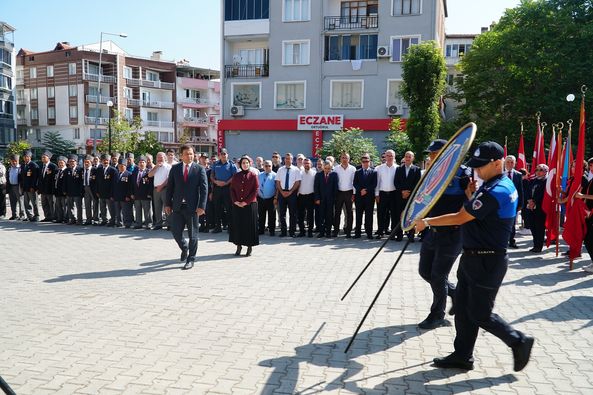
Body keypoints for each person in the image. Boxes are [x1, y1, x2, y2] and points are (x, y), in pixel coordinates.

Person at [414, 141, 534, 372]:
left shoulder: (497, 190)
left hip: (487, 261)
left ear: (498, 163)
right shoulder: (492, 184)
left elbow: (461, 217)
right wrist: (470, 193)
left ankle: (518, 340)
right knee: (463, 309)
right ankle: (462, 355)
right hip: (473, 257)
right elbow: (478, 213)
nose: (476, 170)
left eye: (481, 166)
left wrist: (426, 222)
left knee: (479, 313)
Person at [416, 139, 472, 330]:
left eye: (435, 154)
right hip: (432, 231)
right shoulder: (431, 174)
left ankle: (437, 315)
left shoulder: (463, 173)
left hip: (453, 233)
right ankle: (456, 293)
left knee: (439, 275)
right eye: (430, 154)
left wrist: (470, 192)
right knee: (425, 271)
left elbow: (470, 202)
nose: (431, 157)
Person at [165, 145, 208, 270]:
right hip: (178, 206)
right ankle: (184, 247)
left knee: (193, 234)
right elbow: (170, 188)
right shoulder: (175, 168)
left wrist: (201, 206)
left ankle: (191, 259)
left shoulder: (199, 169)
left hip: (193, 207)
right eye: (186, 154)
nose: (189, 156)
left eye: (191, 154)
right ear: (181, 156)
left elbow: (204, 189)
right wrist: (168, 204)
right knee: (176, 232)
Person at [229, 156, 260, 257]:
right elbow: (232, 190)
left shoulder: (253, 175)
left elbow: (255, 190)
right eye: (243, 163)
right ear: (240, 165)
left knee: (249, 226)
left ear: (250, 164)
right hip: (237, 205)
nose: (245, 165)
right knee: (238, 226)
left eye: (247, 163)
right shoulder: (236, 176)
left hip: (250, 205)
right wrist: (236, 201)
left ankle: (249, 247)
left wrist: (246, 202)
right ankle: (238, 246)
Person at [394, 151, 421, 242]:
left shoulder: (417, 169)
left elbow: (417, 184)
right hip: (400, 196)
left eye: (409, 156)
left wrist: (408, 192)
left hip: (411, 196)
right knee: (399, 215)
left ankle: (411, 235)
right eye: (406, 156)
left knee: (410, 216)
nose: (408, 158)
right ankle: (399, 235)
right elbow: (396, 182)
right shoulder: (398, 169)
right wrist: (402, 192)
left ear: (413, 158)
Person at [276, 152, 302, 237]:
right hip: (282, 193)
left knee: (293, 214)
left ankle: (292, 232)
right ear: (284, 160)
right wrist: (282, 192)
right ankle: (283, 231)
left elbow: (297, 182)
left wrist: (290, 192)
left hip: (292, 193)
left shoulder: (296, 170)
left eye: (289, 158)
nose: (287, 160)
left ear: (292, 159)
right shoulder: (280, 169)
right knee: (282, 214)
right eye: (286, 158)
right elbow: (278, 182)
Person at [211, 148, 237, 233]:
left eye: (225, 154)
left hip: (227, 188)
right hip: (217, 188)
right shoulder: (215, 164)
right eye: (222, 154)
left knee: (229, 208)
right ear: (219, 155)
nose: (223, 155)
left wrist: (226, 183)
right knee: (217, 208)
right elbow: (212, 175)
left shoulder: (231, 165)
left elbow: (234, 177)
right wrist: (215, 181)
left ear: (227, 155)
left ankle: (230, 227)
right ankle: (218, 227)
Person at [374, 150, 398, 239]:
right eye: (388, 155)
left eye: (391, 155)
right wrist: (376, 194)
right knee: (381, 214)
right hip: (382, 194)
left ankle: (393, 233)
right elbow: (377, 182)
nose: (389, 157)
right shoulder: (379, 168)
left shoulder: (397, 168)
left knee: (394, 214)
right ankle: (380, 231)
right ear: (385, 157)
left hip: (393, 194)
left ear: (394, 157)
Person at [353, 153, 377, 239]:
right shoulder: (357, 172)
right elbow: (355, 183)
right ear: (361, 162)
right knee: (358, 215)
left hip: (369, 197)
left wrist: (366, 190)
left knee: (369, 216)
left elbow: (374, 184)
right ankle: (357, 233)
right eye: (363, 161)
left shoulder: (374, 172)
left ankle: (369, 233)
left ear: (370, 162)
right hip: (359, 197)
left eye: (367, 161)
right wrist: (360, 190)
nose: (365, 163)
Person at [333, 153, 356, 238]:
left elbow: (354, 182)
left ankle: (348, 231)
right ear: (340, 159)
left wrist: (354, 193)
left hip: (349, 192)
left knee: (349, 213)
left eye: (346, 158)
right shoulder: (336, 169)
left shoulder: (353, 169)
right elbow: (334, 182)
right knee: (337, 213)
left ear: (349, 159)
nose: (344, 159)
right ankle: (336, 231)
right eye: (343, 158)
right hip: (339, 193)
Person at [526, 164, 548, 252]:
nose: (538, 172)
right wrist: (529, 201)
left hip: (540, 208)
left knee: (539, 227)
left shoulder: (546, 181)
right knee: (532, 226)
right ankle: (535, 244)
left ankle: (538, 246)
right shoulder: (532, 181)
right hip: (530, 206)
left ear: (546, 171)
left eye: (541, 170)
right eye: (537, 170)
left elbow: (543, 194)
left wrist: (534, 201)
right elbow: (527, 191)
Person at [576, 160, 593, 272]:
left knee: (589, 239)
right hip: (589, 213)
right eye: (591, 165)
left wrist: (583, 195)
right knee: (587, 239)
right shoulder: (591, 180)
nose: (591, 167)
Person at [314, 160, 338, 238]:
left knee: (329, 216)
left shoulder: (334, 175)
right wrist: (317, 198)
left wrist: (334, 199)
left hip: (330, 200)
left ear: (331, 168)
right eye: (326, 168)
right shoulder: (318, 175)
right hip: (321, 200)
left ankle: (328, 232)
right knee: (321, 216)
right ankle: (321, 232)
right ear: (323, 167)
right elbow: (316, 187)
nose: (327, 170)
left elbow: (335, 188)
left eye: (329, 168)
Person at [148, 152, 172, 230]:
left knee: (167, 206)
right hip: (156, 189)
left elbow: (169, 179)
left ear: (164, 158)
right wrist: (156, 167)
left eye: (161, 157)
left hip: (165, 189)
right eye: (158, 157)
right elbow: (149, 175)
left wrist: (161, 186)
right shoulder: (155, 167)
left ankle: (169, 224)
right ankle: (159, 223)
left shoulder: (168, 167)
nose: (159, 159)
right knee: (157, 207)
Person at [504, 155, 524, 248]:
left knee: (512, 223)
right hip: (502, 202)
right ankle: (502, 241)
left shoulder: (518, 175)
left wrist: (521, 204)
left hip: (513, 203)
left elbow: (520, 190)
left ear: (515, 163)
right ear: (504, 162)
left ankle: (511, 241)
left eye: (512, 162)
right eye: (508, 162)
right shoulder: (500, 173)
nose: (510, 164)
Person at [131, 156, 153, 229]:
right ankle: (138, 223)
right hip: (136, 195)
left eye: (143, 162)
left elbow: (151, 184)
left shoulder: (149, 172)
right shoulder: (134, 172)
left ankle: (148, 223)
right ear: (138, 164)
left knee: (147, 211)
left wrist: (150, 193)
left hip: (146, 195)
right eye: (140, 162)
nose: (141, 164)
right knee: (137, 210)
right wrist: (132, 193)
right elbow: (132, 184)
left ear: (146, 163)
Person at [95, 154, 117, 226]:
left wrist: (112, 194)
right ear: (101, 161)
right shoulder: (98, 169)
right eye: (104, 160)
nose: (105, 162)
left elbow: (114, 184)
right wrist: (97, 191)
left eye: (107, 160)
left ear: (109, 161)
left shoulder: (113, 170)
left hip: (109, 193)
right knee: (102, 208)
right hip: (101, 193)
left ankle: (113, 220)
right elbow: (97, 182)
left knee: (111, 208)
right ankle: (104, 220)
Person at [297, 158, 316, 237]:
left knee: (310, 215)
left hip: (310, 196)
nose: (306, 165)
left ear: (311, 164)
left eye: (308, 163)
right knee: (300, 215)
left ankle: (310, 231)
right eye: (305, 163)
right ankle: (302, 231)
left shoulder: (314, 173)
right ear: (303, 164)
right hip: (301, 196)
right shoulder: (299, 173)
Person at [112, 158, 133, 228]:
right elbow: (113, 185)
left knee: (126, 211)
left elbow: (130, 187)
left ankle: (127, 223)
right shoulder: (116, 174)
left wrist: (128, 195)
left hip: (125, 197)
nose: (121, 167)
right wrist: (113, 195)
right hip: (117, 196)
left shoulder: (129, 174)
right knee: (118, 211)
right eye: (119, 166)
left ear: (125, 166)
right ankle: (119, 222)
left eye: (122, 166)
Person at [258, 160, 277, 236]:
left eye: (269, 166)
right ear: (263, 166)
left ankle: (272, 230)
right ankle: (261, 230)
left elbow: (277, 188)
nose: (268, 167)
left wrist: (276, 197)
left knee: (272, 215)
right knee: (261, 215)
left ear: (272, 166)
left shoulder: (275, 175)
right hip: (261, 198)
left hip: (271, 198)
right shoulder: (259, 175)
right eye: (266, 166)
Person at [21, 150, 40, 222]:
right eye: (25, 157)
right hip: (25, 187)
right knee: (26, 203)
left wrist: (33, 187)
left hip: (32, 188)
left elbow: (35, 177)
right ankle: (29, 216)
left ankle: (36, 216)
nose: (26, 158)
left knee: (34, 203)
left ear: (30, 157)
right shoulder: (23, 165)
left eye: (27, 157)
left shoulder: (34, 165)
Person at [65, 154, 84, 225]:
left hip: (77, 192)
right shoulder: (67, 170)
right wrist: (65, 190)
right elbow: (65, 181)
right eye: (70, 161)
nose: (71, 163)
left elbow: (82, 182)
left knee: (79, 207)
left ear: (76, 162)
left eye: (73, 161)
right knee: (70, 207)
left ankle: (79, 220)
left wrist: (81, 191)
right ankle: (72, 219)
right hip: (69, 192)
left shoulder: (80, 170)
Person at [38, 151, 57, 222]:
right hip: (43, 189)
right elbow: (40, 179)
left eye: (44, 157)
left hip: (50, 189)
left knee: (51, 203)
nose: (42, 158)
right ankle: (47, 216)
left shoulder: (53, 166)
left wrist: (53, 189)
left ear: (48, 158)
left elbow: (54, 179)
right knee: (44, 204)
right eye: (42, 157)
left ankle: (54, 217)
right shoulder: (41, 166)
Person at [82, 155, 97, 225]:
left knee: (95, 204)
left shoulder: (95, 170)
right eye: (85, 162)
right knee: (87, 204)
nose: (86, 163)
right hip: (85, 188)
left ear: (91, 162)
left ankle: (95, 219)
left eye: (87, 162)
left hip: (93, 189)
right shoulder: (83, 170)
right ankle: (88, 219)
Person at [53, 156, 68, 223]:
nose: (60, 164)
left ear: (65, 163)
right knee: (58, 205)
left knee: (65, 206)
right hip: (57, 191)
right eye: (59, 163)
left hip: (64, 191)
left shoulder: (67, 171)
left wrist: (65, 190)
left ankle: (66, 218)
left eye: (62, 163)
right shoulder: (57, 171)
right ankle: (59, 218)